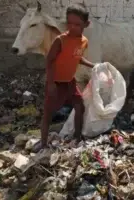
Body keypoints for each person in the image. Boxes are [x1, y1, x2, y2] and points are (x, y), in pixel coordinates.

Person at [34, 4, 95, 152]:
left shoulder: (84, 41)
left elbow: (77, 58)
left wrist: (94, 65)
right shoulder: (61, 40)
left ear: (86, 24)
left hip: (70, 82)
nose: (72, 27)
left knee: (80, 106)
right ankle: (43, 143)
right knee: (48, 113)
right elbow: (49, 60)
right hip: (56, 83)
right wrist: (50, 83)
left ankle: (77, 137)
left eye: (77, 24)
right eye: (69, 23)